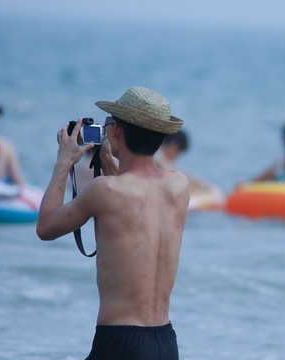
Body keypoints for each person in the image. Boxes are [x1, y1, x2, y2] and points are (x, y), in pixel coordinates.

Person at [36, 86, 190, 360]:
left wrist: (62, 164)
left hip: (120, 342)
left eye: (108, 124)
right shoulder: (179, 186)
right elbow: (135, 196)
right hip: (166, 342)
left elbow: (46, 227)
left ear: (116, 129)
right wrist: (107, 158)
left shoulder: (103, 190)